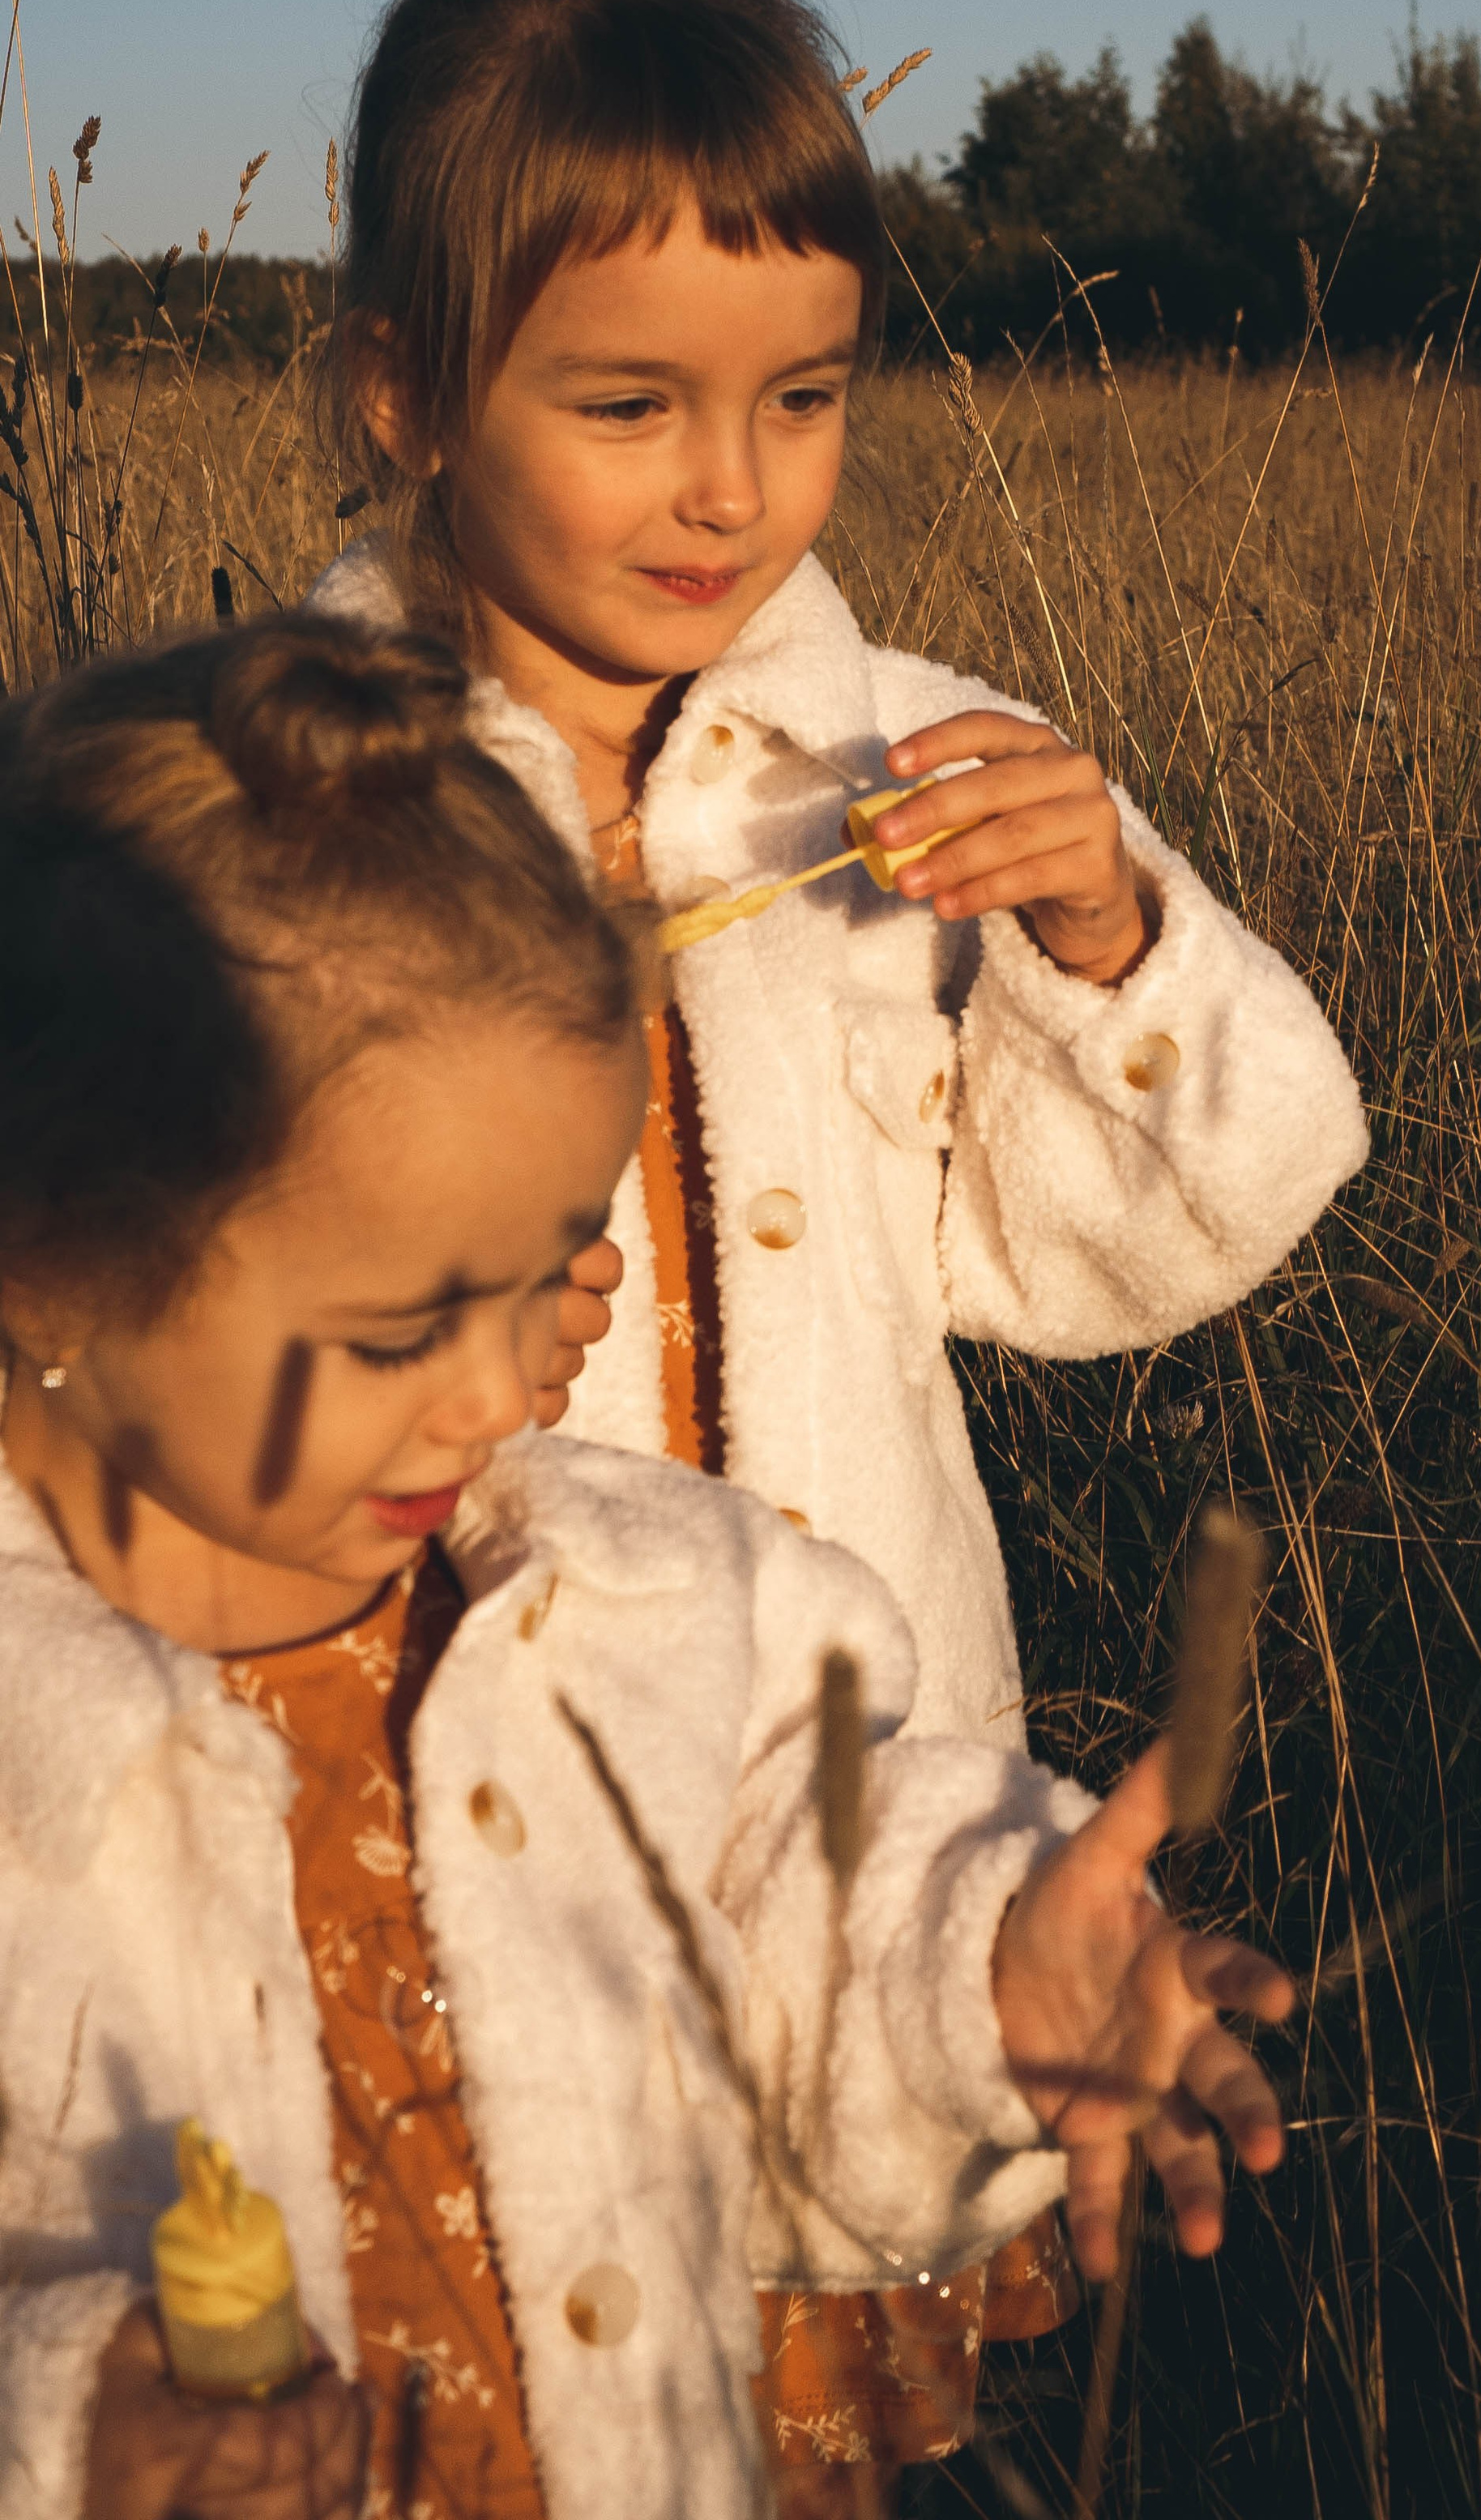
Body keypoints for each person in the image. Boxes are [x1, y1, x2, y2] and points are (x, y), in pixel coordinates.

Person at [307, 0, 1366, 2508]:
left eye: (803, 396)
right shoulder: (279, 818)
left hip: (874, 1846)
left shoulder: (907, 777)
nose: (731, 486)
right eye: (630, 402)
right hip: (462, 1873)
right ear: (407, 393)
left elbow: (1159, 1229)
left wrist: (1105, 942)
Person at [0, 616, 1294, 2520]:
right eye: (400, 1330)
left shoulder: (632, 1605)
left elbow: (792, 1940)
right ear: (54, 1266)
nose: (495, 1397)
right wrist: (56, 2429)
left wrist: (979, 1974)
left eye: (548, 1277)